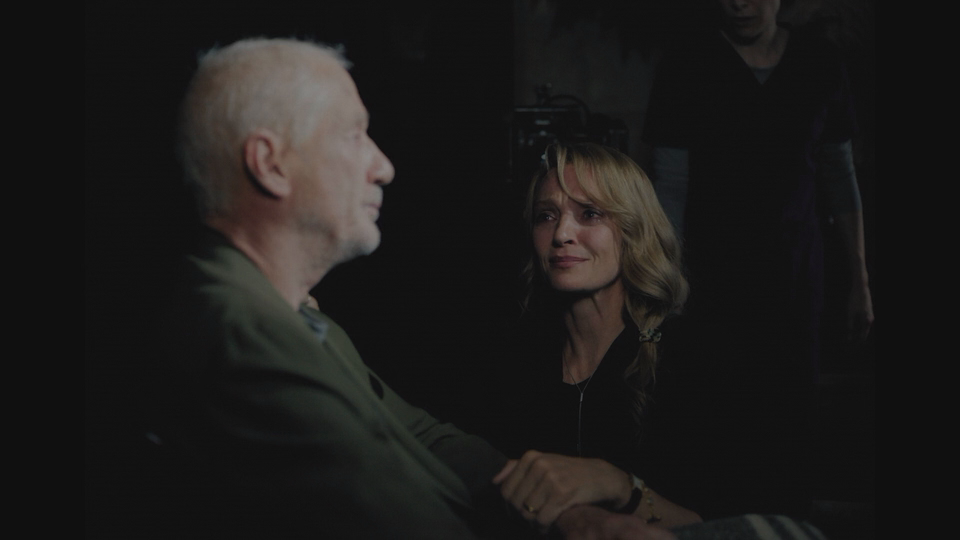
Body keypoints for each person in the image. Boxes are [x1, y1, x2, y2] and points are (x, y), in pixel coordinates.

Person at [144, 37, 676, 539]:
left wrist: (575, 515)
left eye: (590, 214)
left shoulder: (296, 316)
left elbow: (420, 435)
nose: (383, 167)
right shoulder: (246, 337)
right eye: (353, 135)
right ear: (269, 163)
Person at [641, 0, 873, 518]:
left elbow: (839, 176)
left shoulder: (819, 62)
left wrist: (860, 280)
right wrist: (665, 279)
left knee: (789, 421)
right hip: (709, 284)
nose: (739, 3)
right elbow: (670, 185)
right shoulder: (688, 63)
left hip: (795, 279)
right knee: (716, 425)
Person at [478, 143, 701, 530]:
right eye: (546, 216)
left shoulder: (688, 360)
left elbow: (725, 524)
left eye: (590, 214)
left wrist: (621, 487)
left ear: (634, 229)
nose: (562, 233)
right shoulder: (512, 360)